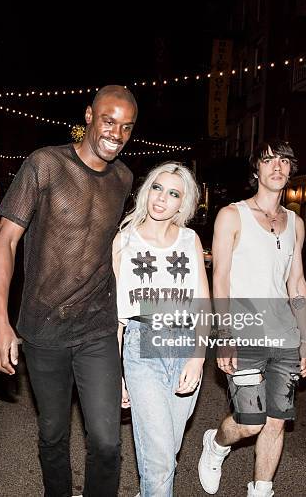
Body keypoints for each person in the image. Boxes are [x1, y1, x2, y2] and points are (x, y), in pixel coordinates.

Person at [0, 85, 137, 497]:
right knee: (53, 435)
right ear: (89, 116)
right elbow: (5, 241)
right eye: (108, 121)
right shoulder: (46, 164)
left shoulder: (124, 178)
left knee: (107, 442)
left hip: (97, 327)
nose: (116, 133)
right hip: (44, 328)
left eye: (126, 127)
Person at [198, 140, 306, 497]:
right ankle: (216, 444)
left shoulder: (295, 223)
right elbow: (219, 278)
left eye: (284, 161)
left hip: (285, 336)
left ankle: (261, 489)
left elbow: (296, 283)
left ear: (291, 170)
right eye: (268, 160)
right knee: (250, 422)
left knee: (277, 420)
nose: (277, 167)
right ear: (256, 170)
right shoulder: (232, 215)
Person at [113, 162, 210, 497]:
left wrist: (198, 358)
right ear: (146, 190)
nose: (162, 198)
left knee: (168, 449)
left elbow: (202, 303)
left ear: (182, 204)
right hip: (142, 343)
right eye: (157, 187)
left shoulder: (190, 240)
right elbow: (115, 319)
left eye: (173, 193)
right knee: (159, 459)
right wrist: (118, 374)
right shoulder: (123, 241)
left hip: (185, 345)